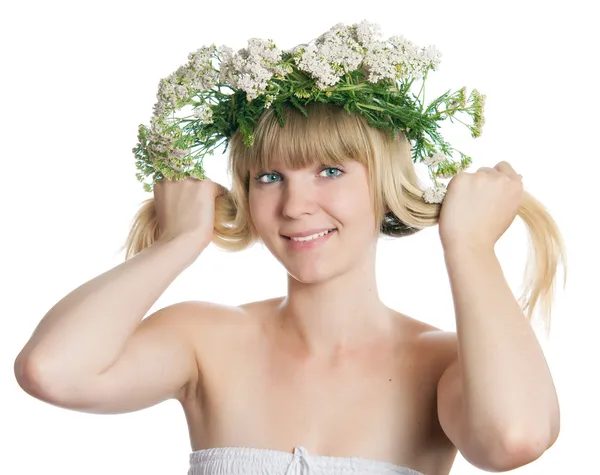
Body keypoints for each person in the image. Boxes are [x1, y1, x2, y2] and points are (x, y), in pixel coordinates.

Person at [13, 22, 566, 475]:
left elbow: (515, 438)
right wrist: (181, 241)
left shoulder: (443, 363)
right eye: (269, 177)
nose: (296, 205)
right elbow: (51, 370)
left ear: (383, 182)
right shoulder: (205, 341)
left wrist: (470, 247)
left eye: (329, 170)